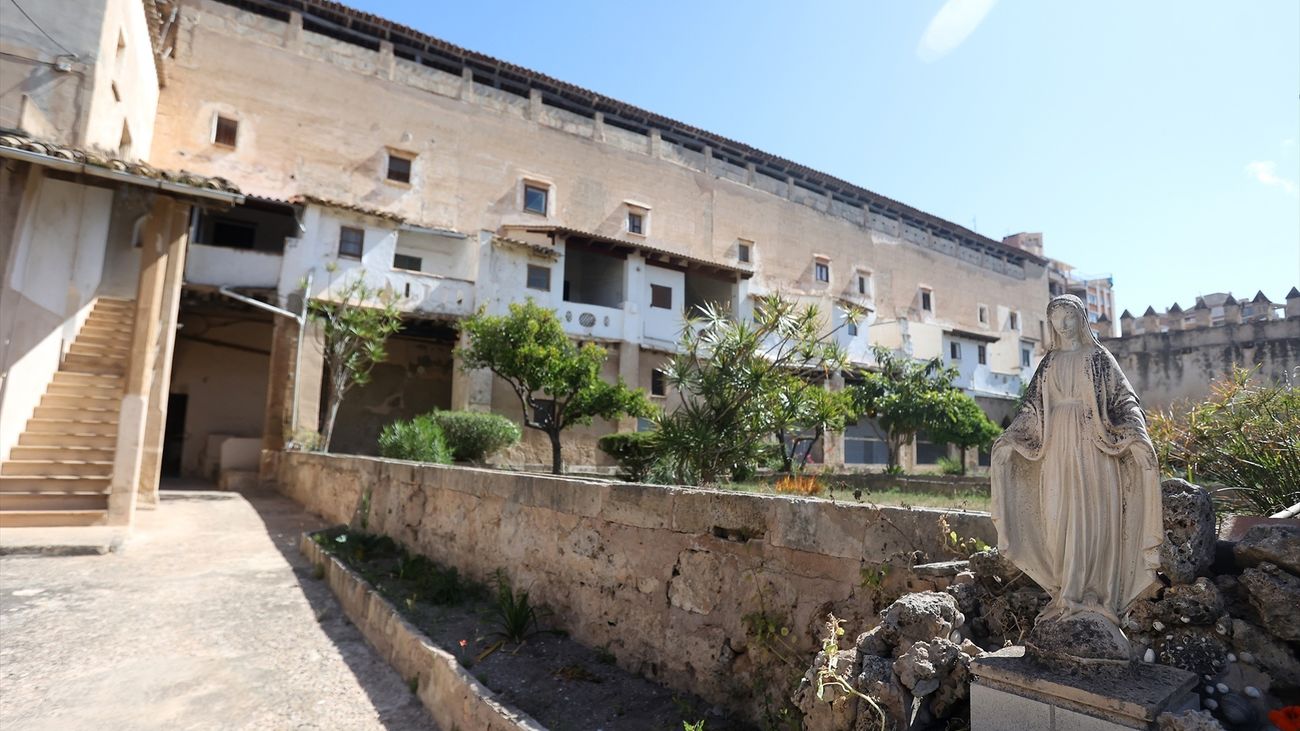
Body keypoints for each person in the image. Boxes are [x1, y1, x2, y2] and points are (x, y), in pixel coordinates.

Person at [991, 295, 1161, 647]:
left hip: (1093, 451)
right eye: (1057, 318)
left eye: (1069, 316)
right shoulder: (1049, 363)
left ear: (1081, 319)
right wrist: (1010, 440)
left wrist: (1136, 435)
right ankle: (1063, 594)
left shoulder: (1099, 359)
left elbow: (1125, 400)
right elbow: (1031, 410)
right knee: (1056, 518)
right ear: (1050, 323)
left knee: (1093, 518)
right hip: (1055, 451)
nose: (1064, 324)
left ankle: (1093, 596)